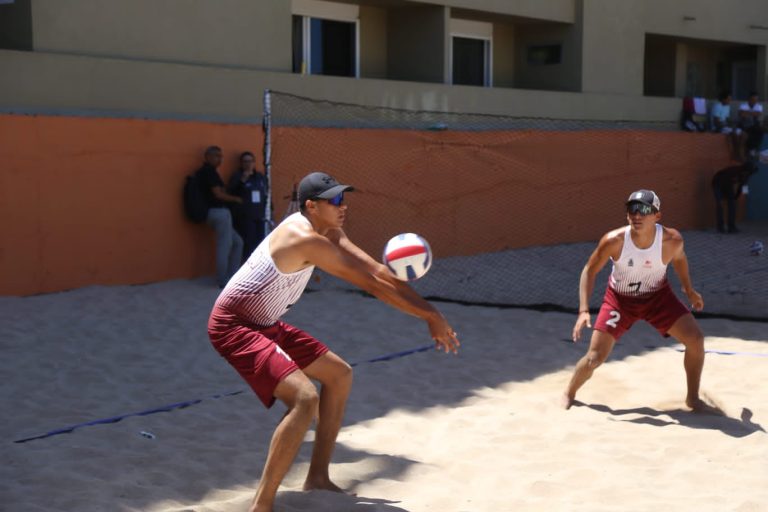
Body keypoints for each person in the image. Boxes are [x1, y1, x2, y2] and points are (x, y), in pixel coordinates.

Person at [207, 171, 460, 512]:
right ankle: (262, 506)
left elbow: (376, 271)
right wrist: (429, 316)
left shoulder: (327, 230)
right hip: (234, 325)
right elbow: (369, 285)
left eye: (344, 198)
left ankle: (318, 477)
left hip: (265, 322)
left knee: (339, 374)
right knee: (304, 398)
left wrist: (430, 310)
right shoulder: (304, 238)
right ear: (311, 205)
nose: (344, 206)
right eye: (336, 200)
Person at [562, 190, 710, 412]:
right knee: (594, 358)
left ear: (657, 216)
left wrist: (689, 291)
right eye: (632, 209)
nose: (637, 215)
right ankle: (569, 392)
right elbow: (589, 270)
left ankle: (693, 398)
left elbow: (679, 259)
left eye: (644, 210)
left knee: (696, 340)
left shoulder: (671, 240)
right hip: (619, 300)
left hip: (658, 296)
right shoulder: (614, 240)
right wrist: (583, 310)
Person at [196, 145, 244, 287]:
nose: (220, 159)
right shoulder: (209, 172)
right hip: (218, 213)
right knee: (225, 245)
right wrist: (236, 199)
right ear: (208, 157)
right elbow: (218, 194)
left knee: (237, 242)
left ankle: (231, 277)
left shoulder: (206, 172)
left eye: (220, 156)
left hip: (213, 213)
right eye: (216, 155)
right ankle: (223, 281)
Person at [227, 151, 269, 261]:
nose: (248, 164)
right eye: (245, 161)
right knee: (248, 244)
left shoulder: (260, 177)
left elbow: (266, 195)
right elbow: (230, 193)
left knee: (260, 243)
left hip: (259, 216)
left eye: (250, 161)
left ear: (254, 162)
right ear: (241, 163)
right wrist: (242, 181)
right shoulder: (237, 176)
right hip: (244, 217)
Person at [711, 161, 757, 233]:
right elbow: (725, 183)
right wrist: (728, 196)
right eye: (748, 172)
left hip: (728, 185)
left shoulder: (747, 175)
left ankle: (731, 227)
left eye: (750, 173)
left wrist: (736, 197)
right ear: (745, 169)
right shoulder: (734, 171)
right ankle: (720, 227)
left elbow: (742, 186)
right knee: (720, 205)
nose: (748, 174)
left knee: (732, 204)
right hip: (718, 183)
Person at [738, 91, 764, 161]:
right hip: (744, 124)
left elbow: (758, 114)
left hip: (754, 125)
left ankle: (753, 149)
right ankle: (750, 150)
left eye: (756, 100)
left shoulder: (759, 106)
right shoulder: (743, 105)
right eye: (753, 99)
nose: (754, 101)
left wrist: (747, 113)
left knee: (760, 131)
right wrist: (752, 113)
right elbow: (741, 115)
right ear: (749, 99)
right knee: (748, 132)